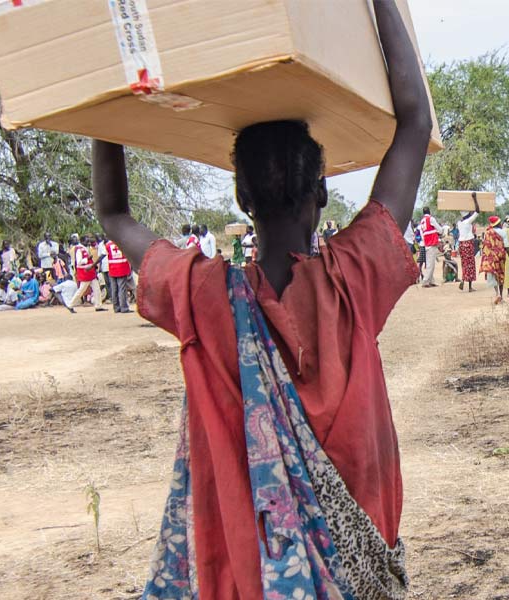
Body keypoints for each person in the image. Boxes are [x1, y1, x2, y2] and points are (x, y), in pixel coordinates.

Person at [91, 2, 424, 596]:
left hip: (261, 570)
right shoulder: (355, 277)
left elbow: (115, 214)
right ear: (321, 191)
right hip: (364, 558)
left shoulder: (204, 296)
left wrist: (108, 82)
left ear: (241, 198)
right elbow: (415, 123)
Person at [479, 215, 509, 305]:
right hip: (501, 258)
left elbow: (485, 246)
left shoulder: (487, 233)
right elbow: (507, 246)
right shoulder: (503, 232)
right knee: (501, 276)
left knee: (493, 276)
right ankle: (501, 296)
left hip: (491, 258)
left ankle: (497, 293)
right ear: (498, 223)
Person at [69, 235, 104, 310]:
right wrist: (87, 259)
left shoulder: (85, 248)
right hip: (85, 272)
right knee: (81, 290)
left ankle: (98, 306)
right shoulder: (79, 249)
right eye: (87, 241)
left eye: (89, 241)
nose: (88, 243)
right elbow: (79, 262)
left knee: (96, 288)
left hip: (90, 272)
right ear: (82, 241)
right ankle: (70, 305)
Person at [455, 196, 480, 292]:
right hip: (468, 244)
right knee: (470, 265)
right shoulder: (468, 221)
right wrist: (474, 199)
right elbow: (477, 211)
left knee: (464, 263)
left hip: (461, 244)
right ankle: (469, 287)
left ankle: (463, 278)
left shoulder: (459, 222)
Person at [105, 238, 132, 313]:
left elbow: (103, 255)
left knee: (114, 289)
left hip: (112, 268)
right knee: (122, 289)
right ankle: (124, 307)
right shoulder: (123, 244)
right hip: (122, 268)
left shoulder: (107, 245)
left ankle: (116, 307)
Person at [417, 207, 443, 287]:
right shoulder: (431, 219)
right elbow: (439, 229)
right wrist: (439, 232)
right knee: (430, 264)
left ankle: (431, 280)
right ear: (429, 211)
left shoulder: (422, 221)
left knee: (430, 263)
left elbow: (422, 234)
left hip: (426, 243)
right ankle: (425, 281)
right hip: (432, 242)